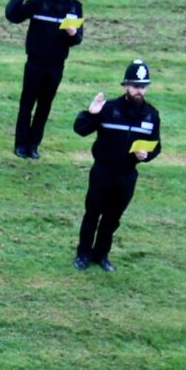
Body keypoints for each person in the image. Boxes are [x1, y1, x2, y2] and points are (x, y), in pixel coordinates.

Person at [71, 60, 161, 271]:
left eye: (143, 86)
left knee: (112, 218)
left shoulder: (151, 115)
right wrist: (91, 113)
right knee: (92, 214)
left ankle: (101, 254)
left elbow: (156, 146)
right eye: (135, 86)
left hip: (127, 175)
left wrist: (146, 155)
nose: (139, 91)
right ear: (126, 85)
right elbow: (80, 129)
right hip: (103, 172)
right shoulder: (109, 109)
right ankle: (83, 253)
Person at [4, 0, 84, 158]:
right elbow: (12, 15)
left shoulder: (75, 7)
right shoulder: (39, 2)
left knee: (44, 107)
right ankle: (21, 144)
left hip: (56, 66)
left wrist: (73, 33)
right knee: (27, 104)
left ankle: (33, 145)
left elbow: (77, 39)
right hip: (35, 63)